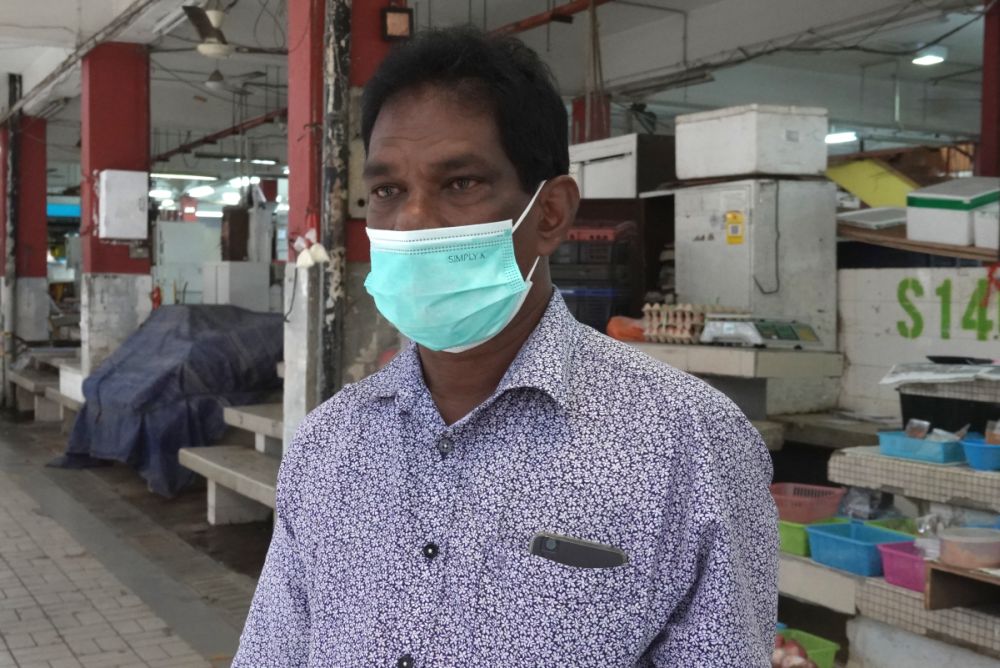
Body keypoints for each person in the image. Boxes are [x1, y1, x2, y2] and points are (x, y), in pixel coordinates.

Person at [233, 26, 777, 667]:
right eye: (387, 190)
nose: (411, 220)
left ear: (550, 214)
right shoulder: (325, 452)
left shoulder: (690, 446)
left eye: (460, 183)